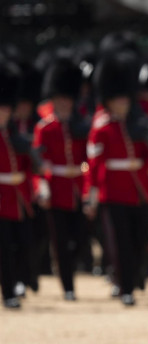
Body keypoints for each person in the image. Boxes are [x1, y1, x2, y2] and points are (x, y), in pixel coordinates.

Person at [84, 51, 148, 306]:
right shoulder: (101, 127)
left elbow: (147, 158)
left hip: (137, 190)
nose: (123, 103)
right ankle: (125, 287)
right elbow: (94, 164)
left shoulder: (135, 125)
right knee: (120, 242)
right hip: (111, 192)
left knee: (140, 239)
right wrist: (90, 196)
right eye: (118, 99)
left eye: (126, 98)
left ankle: (130, 279)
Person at [33, 57, 87, 301]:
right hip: (56, 190)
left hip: (77, 188)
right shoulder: (45, 128)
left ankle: (70, 273)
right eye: (60, 99)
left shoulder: (79, 127)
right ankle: (68, 286)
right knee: (60, 243)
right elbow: (39, 162)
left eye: (68, 99)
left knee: (79, 239)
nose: (65, 103)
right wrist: (43, 186)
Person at [0, 60, 32, 308]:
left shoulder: (12, 136)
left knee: (17, 245)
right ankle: (9, 292)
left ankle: (15, 286)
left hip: (14, 199)